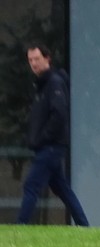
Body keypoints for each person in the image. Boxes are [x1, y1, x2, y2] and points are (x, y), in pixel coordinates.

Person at [17, 44, 89, 226]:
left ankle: (19, 227)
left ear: (47, 58)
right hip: (50, 145)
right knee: (62, 188)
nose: (33, 63)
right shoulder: (43, 84)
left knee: (31, 185)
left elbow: (59, 115)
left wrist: (42, 138)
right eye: (30, 60)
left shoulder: (53, 83)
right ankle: (84, 225)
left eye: (37, 59)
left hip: (50, 146)